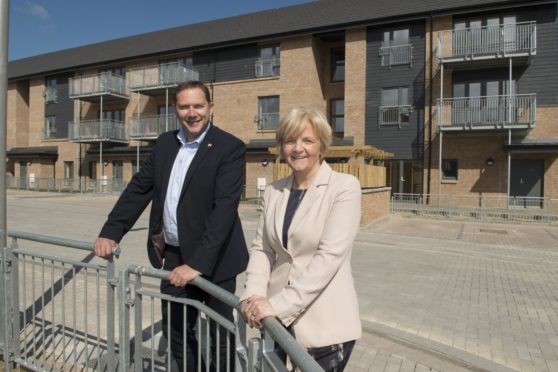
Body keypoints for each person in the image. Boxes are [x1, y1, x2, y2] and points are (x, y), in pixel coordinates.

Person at [93, 80, 248, 371]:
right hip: (175, 255)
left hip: (216, 258)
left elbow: (224, 211)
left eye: (198, 105)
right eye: (184, 106)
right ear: (175, 110)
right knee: (176, 332)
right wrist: (111, 231)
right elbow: (139, 188)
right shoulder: (165, 144)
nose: (192, 113)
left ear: (211, 108)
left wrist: (198, 263)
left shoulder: (230, 147)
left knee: (219, 334)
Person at [240, 107, 361, 371]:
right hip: (273, 320)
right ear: (281, 147)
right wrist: (253, 294)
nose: (298, 148)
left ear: (322, 146)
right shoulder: (274, 191)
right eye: (290, 141)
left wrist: (275, 305)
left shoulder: (344, 187)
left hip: (324, 322)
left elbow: (328, 258)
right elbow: (262, 248)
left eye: (307, 140)